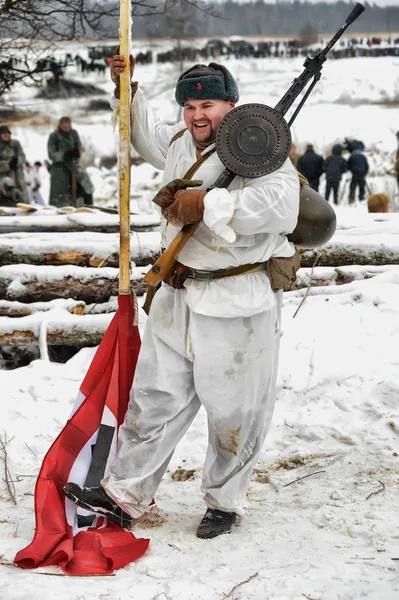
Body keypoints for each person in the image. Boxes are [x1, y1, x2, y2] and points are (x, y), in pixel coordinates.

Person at [64, 56, 300, 539]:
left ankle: (224, 500)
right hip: (177, 292)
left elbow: (283, 206)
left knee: (235, 408)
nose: (197, 115)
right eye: (189, 105)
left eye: (208, 104)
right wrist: (128, 89)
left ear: (230, 106)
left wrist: (213, 202)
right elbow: (144, 135)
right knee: (154, 397)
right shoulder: (179, 144)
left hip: (237, 296)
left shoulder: (259, 148)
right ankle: (126, 493)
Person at [47, 116, 94, 207]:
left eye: (69, 126)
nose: (67, 128)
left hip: (74, 165)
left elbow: (79, 147)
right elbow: (51, 154)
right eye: (65, 127)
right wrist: (64, 154)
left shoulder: (73, 134)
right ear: (60, 125)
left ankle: (85, 206)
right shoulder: (54, 136)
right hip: (60, 168)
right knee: (61, 194)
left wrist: (76, 152)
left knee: (84, 185)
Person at [0, 124, 27, 201]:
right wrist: (8, 164)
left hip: (18, 175)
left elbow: (22, 156)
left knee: (22, 198)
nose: (6, 135)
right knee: (7, 198)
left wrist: (17, 161)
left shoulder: (16, 143)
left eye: (7, 133)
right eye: (3, 133)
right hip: (3, 177)